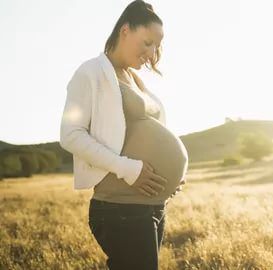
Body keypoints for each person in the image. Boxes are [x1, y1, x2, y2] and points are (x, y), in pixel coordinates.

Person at [59, 1, 188, 269]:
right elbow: (70, 135)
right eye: (147, 42)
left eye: (156, 47)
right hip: (120, 208)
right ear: (125, 31)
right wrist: (130, 169)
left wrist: (172, 175)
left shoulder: (133, 78)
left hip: (151, 205)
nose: (152, 53)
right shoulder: (91, 72)